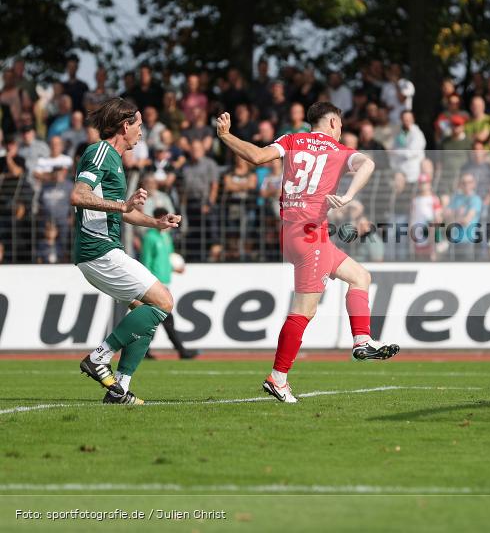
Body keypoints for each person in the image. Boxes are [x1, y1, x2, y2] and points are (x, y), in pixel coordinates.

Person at [215, 101, 399, 404]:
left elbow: (257, 156)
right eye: (339, 124)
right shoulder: (336, 150)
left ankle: (362, 341)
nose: (340, 130)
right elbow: (369, 164)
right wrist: (349, 196)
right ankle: (278, 377)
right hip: (310, 234)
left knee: (359, 276)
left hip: (297, 233)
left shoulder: (290, 140)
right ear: (331, 124)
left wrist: (225, 136)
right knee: (305, 310)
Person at [73, 98, 182, 405]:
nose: (141, 133)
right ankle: (100, 357)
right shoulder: (100, 152)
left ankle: (119, 388)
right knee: (164, 301)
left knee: (147, 312)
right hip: (98, 250)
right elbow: (78, 195)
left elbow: (122, 212)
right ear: (125, 126)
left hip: (102, 250)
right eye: (139, 126)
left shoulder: (115, 160)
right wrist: (122, 204)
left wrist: (156, 223)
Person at [141, 207, 198, 359]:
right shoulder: (150, 237)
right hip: (155, 283)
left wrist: (175, 268)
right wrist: (147, 282)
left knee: (157, 318)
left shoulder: (166, 237)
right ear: (159, 218)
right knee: (166, 318)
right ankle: (181, 350)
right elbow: (146, 260)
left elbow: (168, 258)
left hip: (165, 282)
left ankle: (144, 350)